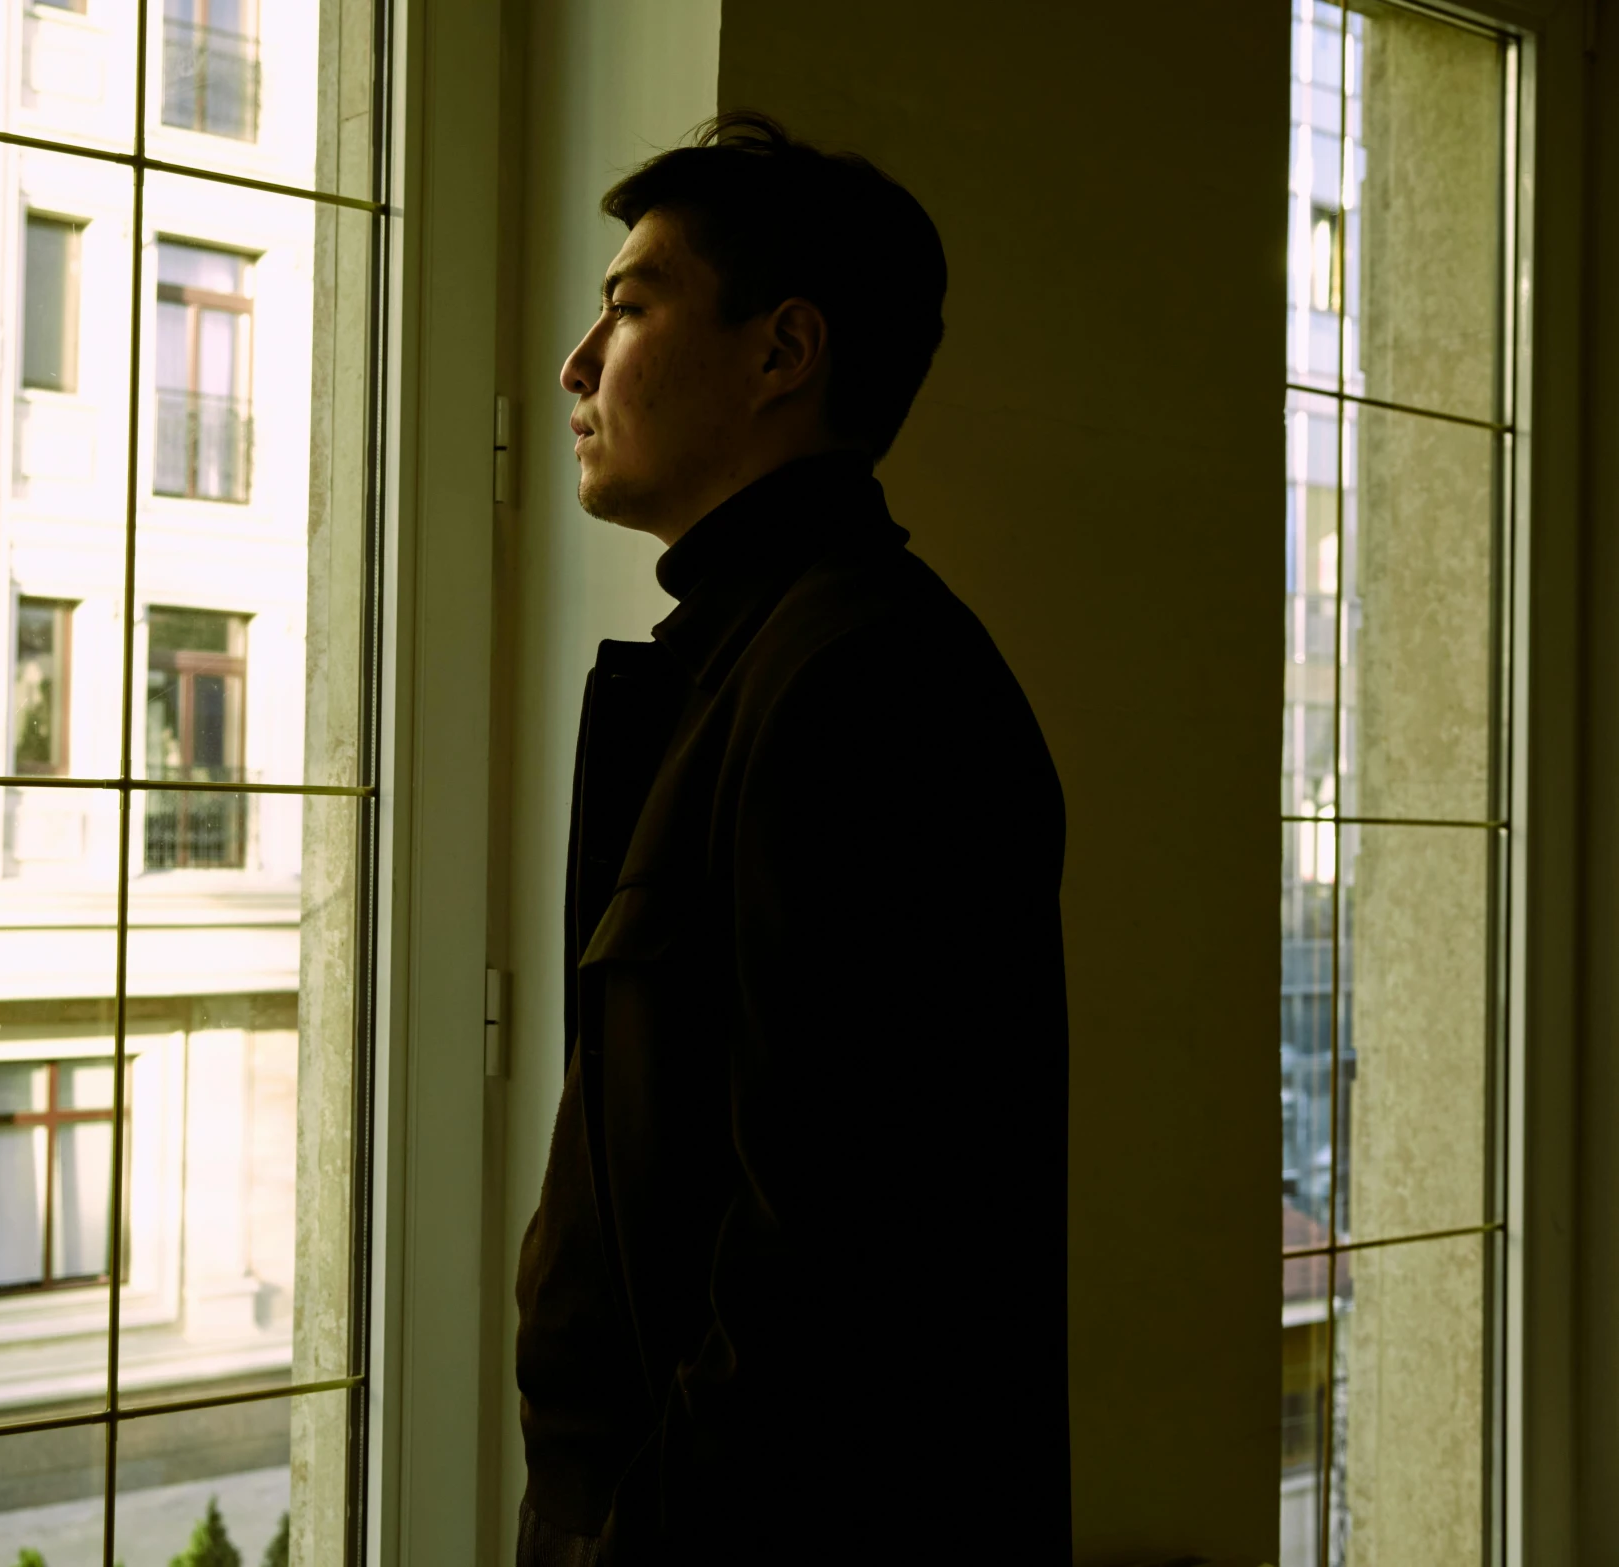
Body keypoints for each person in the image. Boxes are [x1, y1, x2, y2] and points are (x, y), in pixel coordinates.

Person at [513, 112, 1070, 1563]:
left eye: (628, 306)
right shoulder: (755, 658)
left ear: (782, 352)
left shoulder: (858, 682)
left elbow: (828, 1262)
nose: (576, 365)